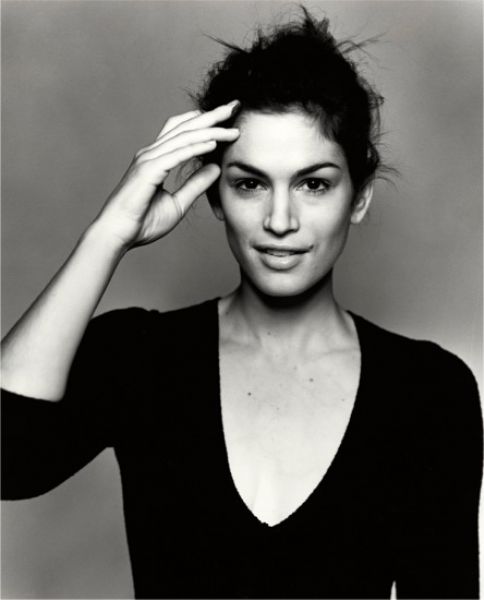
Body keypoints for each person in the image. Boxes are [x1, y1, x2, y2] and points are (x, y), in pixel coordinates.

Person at [1, 8, 482, 599]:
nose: (280, 220)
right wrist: (108, 235)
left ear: (359, 198)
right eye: (250, 183)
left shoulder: (429, 392)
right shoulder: (141, 357)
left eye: (314, 184)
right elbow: (8, 460)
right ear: (214, 195)